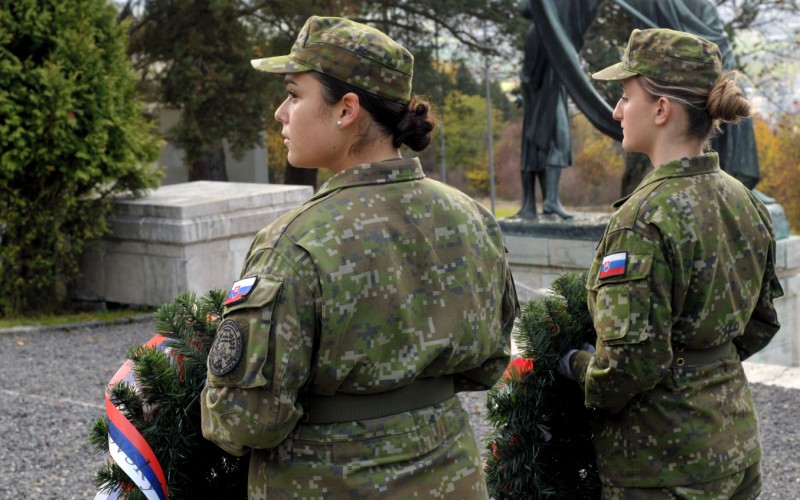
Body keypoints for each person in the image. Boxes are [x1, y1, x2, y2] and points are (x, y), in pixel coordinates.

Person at [200, 15, 519, 499]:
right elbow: (490, 363)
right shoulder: (473, 218)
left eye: (294, 94)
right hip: (453, 478)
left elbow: (244, 420)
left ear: (346, 109)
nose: (280, 113)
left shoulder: (293, 242)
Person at [557, 29, 784, 497]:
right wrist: (701, 365)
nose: (617, 111)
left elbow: (627, 368)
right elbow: (761, 323)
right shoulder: (746, 201)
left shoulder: (642, 218)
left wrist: (572, 364)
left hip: (664, 465)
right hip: (736, 444)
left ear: (662, 110)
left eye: (625, 96)